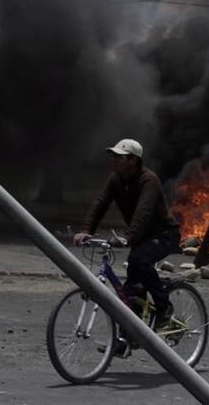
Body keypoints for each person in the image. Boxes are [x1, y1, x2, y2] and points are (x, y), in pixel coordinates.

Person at [73, 138, 180, 330]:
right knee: (132, 287)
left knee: (139, 260)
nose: (114, 160)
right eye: (113, 156)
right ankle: (131, 336)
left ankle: (164, 308)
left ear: (132, 160)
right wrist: (86, 230)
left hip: (164, 234)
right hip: (141, 237)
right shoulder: (116, 178)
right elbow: (101, 204)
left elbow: (143, 212)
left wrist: (127, 237)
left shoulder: (149, 180)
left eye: (119, 157)